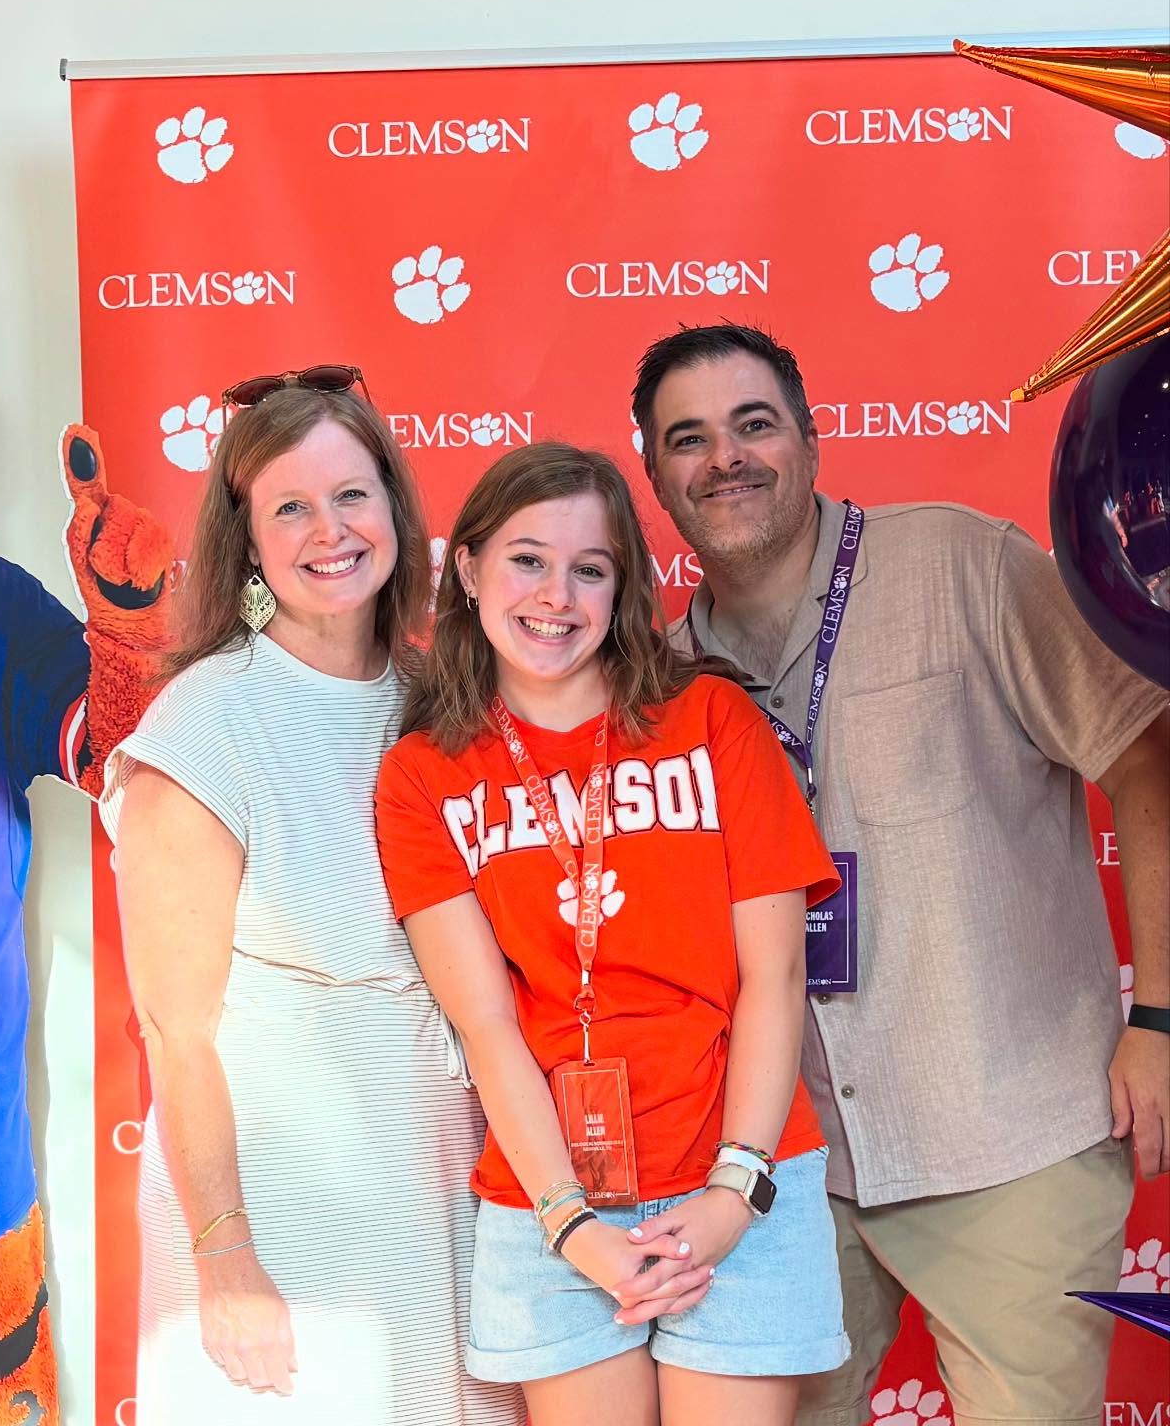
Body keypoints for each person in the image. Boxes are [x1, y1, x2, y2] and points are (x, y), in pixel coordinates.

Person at [631, 323, 1170, 1426]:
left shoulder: (963, 564)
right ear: (655, 477)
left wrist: (1160, 1017)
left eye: (753, 424)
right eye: (688, 440)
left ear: (812, 438)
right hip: (785, 1176)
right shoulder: (661, 684)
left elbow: (1149, 765)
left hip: (1012, 1141)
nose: (724, 457)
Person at [375, 443, 849, 1426]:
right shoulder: (424, 776)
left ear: (623, 586)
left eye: (590, 568)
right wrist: (570, 1223)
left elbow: (776, 976)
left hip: (738, 1177)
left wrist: (735, 1191)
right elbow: (488, 1024)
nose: (558, 596)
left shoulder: (712, 723)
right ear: (466, 569)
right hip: (552, 1204)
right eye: (527, 559)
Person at [100, 368, 523, 1425]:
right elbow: (177, 1031)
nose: (328, 529)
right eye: (289, 506)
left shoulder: (443, 707)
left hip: (451, 1198)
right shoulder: (204, 729)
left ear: (394, 509)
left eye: (351, 496)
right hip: (288, 1226)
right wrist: (226, 1264)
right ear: (246, 542)